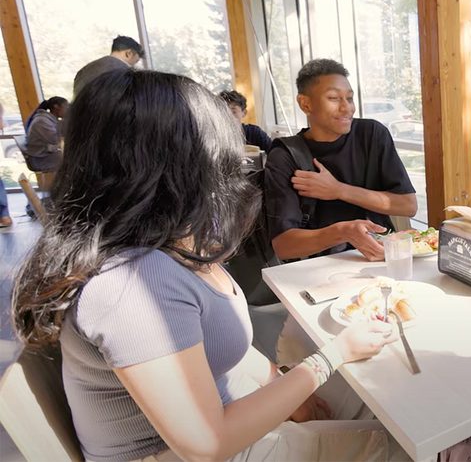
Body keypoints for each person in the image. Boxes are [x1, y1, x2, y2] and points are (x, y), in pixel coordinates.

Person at [12, 69, 408, 461]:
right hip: (188, 451)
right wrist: (330, 357)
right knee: (407, 441)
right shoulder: (131, 282)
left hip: (226, 412)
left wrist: (293, 392)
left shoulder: (160, 245)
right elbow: (207, 445)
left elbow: (224, 348)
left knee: (374, 398)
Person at [263, 58, 417, 262]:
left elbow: (408, 206)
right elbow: (284, 246)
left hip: (380, 259)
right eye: (334, 98)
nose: (347, 108)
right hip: (318, 268)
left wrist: (338, 190)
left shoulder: (371, 134)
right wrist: (344, 231)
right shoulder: (285, 156)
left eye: (350, 98)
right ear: (305, 103)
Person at [72, 35, 145, 98]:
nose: (134, 65)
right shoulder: (125, 72)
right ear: (128, 53)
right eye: (136, 61)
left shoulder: (84, 70)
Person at [25, 96, 68, 173]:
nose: (67, 110)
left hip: (45, 154)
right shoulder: (42, 121)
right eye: (66, 107)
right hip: (40, 159)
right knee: (75, 160)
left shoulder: (49, 120)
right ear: (56, 107)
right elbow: (55, 140)